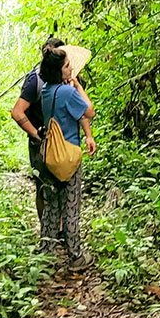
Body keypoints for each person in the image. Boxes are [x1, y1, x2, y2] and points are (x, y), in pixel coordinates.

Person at [37, 47, 97, 269]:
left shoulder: (46, 91)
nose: (71, 68)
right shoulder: (68, 92)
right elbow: (88, 111)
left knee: (52, 207)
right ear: (58, 71)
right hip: (68, 157)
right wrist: (78, 86)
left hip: (49, 156)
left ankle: (45, 254)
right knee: (71, 206)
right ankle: (76, 256)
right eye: (66, 66)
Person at [10, 37, 65, 219]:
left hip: (63, 142)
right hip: (41, 142)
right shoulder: (35, 80)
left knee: (62, 188)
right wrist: (36, 134)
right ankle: (46, 230)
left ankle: (58, 231)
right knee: (43, 187)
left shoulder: (68, 77)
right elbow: (17, 112)